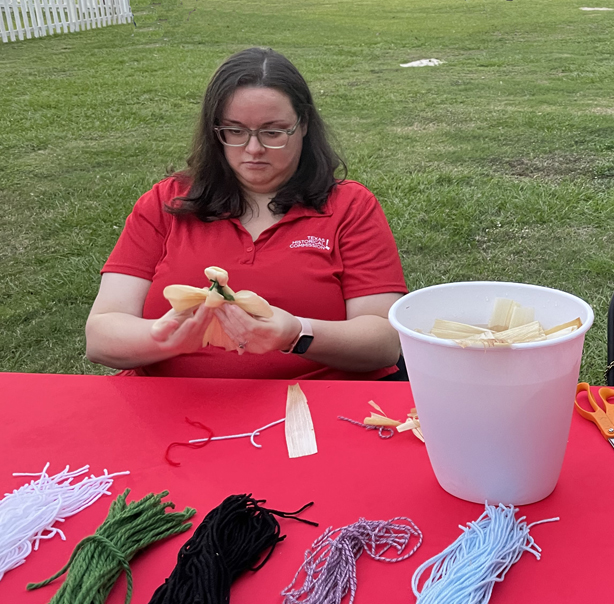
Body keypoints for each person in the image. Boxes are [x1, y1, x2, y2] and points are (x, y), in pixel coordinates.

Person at [86, 48, 407, 380]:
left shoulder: (348, 206)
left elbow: (383, 344)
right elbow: (100, 335)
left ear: (304, 124)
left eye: (273, 132)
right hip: (170, 406)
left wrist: (297, 333)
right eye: (236, 131)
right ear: (215, 131)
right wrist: (162, 336)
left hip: (311, 405)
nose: (253, 149)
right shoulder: (167, 202)